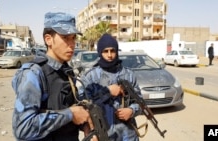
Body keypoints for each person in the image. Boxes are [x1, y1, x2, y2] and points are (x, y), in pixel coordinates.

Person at [11, 12, 96, 141]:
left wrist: (85, 125)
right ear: (48, 39)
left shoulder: (67, 71)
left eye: (73, 38)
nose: (72, 44)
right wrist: (70, 114)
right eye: (65, 38)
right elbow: (23, 128)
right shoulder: (34, 73)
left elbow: (70, 110)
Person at [78, 33, 143, 141]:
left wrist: (131, 110)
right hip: (102, 134)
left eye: (112, 51)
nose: (109, 55)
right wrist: (107, 92)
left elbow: (140, 102)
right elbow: (83, 105)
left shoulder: (128, 74)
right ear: (100, 52)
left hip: (128, 134)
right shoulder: (90, 76)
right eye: (105, 51)